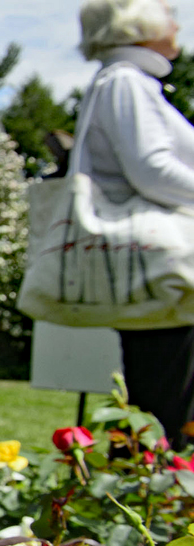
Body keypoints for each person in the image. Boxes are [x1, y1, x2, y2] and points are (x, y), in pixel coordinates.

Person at [76, 0, 194, 448]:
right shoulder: (126, 82)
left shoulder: (126, 81)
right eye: (170, 12)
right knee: (167, 402)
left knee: (159, 395)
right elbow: (151, 170)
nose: (178, 23)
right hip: (159, 269)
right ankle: (157, 502)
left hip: (156, 268)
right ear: (137, 22)